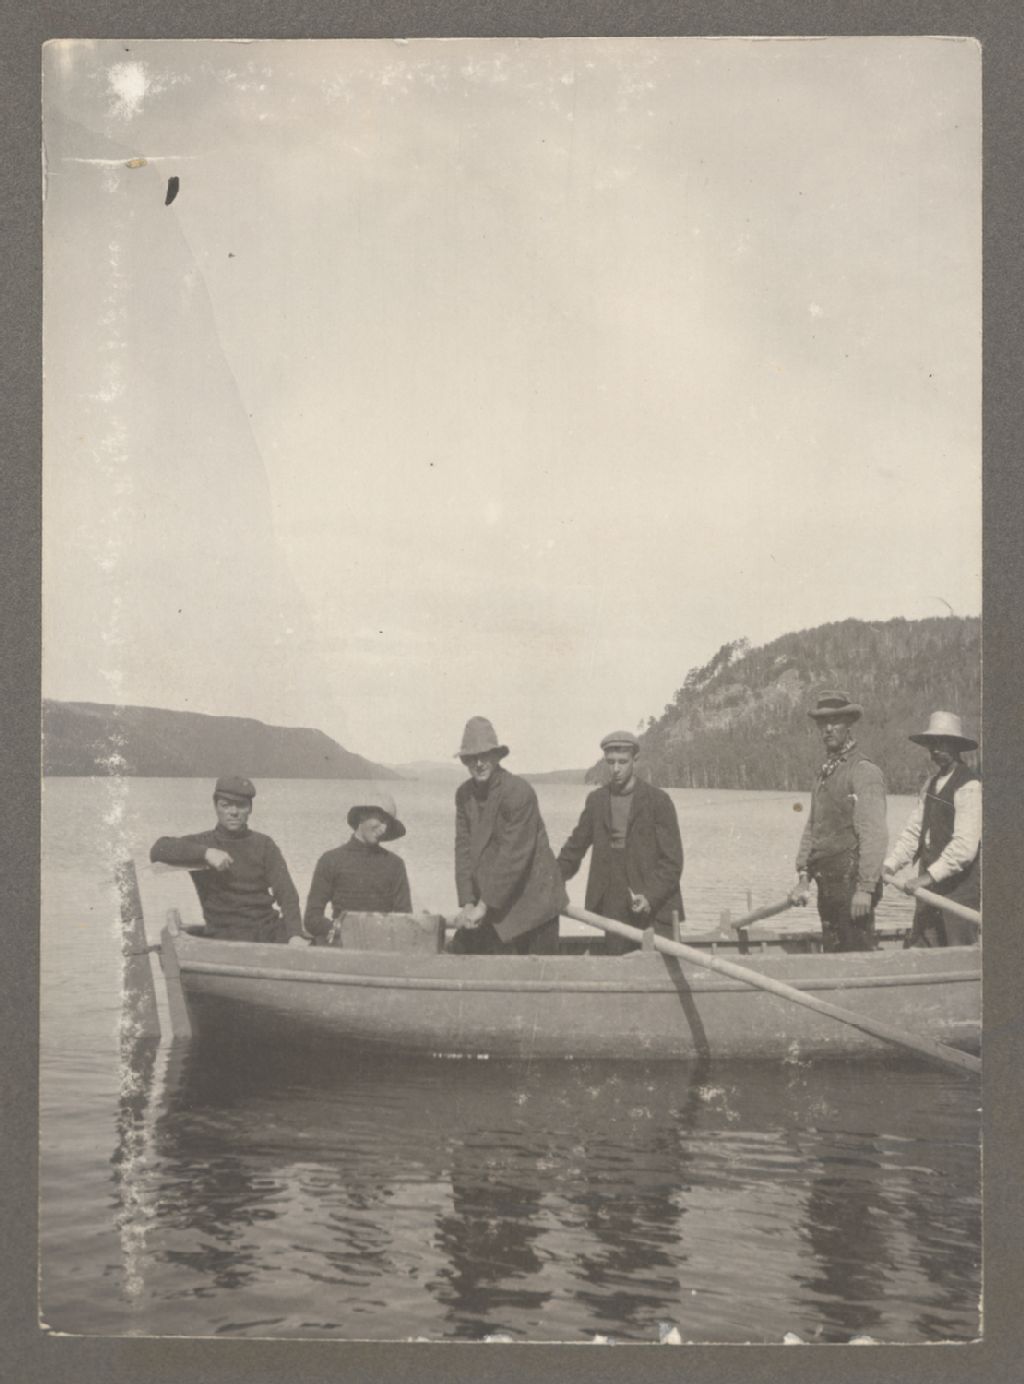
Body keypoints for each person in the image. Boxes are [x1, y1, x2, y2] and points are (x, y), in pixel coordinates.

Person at [556, 730, 684, 955]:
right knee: (618, 965)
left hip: (657, 905)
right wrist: (552, 879)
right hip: (614, 903)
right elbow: (574, 849)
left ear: (635, 760)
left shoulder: (659, 801)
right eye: (611, 762)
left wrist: (650, 897)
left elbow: (673, 862)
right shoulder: (596, 801)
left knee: (658, 968)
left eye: (622, 762)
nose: (615, 769)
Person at [450, 716, 568, 955]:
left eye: (485, 756)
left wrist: (483, 906)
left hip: (535, 904)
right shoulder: (464, 795)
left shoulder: (519, 792)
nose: (479, 763)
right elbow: (463, 850)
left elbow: (512, 857)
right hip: (495, 900)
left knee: (537, 973)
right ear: (465, 761)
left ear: (496, 757)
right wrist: (468, 902)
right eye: (472, 758)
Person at [150, 775, 306, 945]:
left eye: (241, 805)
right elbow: (158, 849)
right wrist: (205, 853)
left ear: (250, 808)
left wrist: (295, 934)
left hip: (268, 929)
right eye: (226, 805)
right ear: (215, 806)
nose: (233, 812)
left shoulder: (264, 845)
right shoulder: (203, 843)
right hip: (225, 935)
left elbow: (287, 893)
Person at [789, 691, 887, 952]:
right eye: (823, 723)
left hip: (853, 886)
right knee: (833, 953)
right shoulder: (825, 773)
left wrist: (865, 888)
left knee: (855, 956)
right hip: (828, 885)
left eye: (835, 722)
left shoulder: (864, 771)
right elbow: (814, 827)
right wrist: (803, 876)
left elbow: (874, 835)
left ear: (849, 724)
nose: (828, 729)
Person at [882, 711, 981, 947]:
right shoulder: (930, 785)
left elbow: (964, 848)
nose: (935, 749)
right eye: (932, 743)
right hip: (928, 893)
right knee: (923, 947)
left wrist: (927, 878)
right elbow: (914, 832)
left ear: (956, 746)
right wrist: (891, 865)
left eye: (942, 743)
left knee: (960, 954)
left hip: (957, 894)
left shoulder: (969, 786)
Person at [303, 789, 413, 940]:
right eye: (380, 820)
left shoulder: (395, 865)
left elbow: (404, 918)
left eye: (387, 824)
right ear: (362, 816)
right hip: (341, 942)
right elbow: (312, 918)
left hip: (381, 943)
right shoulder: (331, 860)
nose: (383, 828)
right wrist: (340, 928)